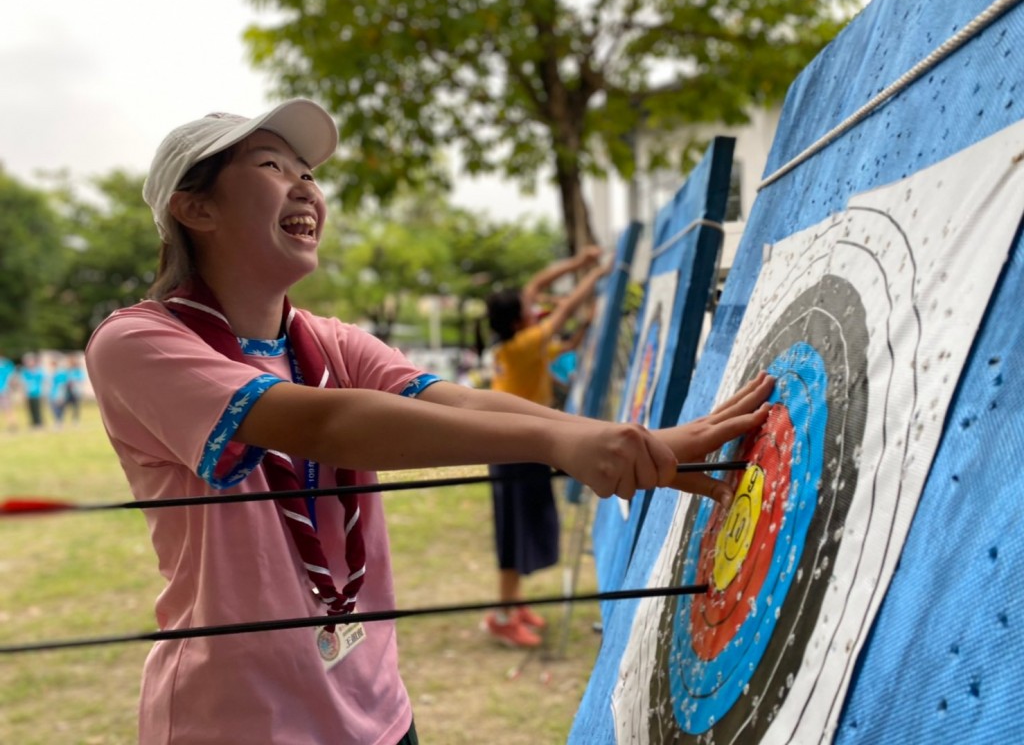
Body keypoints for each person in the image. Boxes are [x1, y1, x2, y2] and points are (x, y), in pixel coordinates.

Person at [84, 99, 773, 745]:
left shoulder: (329, 340)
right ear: (194, 207)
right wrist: (561, 440)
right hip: (237, 722)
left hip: (377, 710)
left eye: (309, 174)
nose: (304, 188)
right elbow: (323, 425)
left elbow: (459, 401)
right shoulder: (137, 340)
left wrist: (609, 441)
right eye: (271, 167)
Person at [479, 248, 607, 648]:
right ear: (520, 318)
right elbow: (562, 307)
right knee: (512, 535)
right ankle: (501, 616)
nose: (534, 304)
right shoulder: (521, 346)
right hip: (511, 449)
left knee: (519, 529)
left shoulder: (516, 345)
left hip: (515, 446)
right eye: (528, 307)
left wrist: (577, 264)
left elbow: (541, 298)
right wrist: (598, 273)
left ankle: (513, 606)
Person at [18, 353, 46, 429]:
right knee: (30, 409)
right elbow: (22, 383)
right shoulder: (25, 371)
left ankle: (39, 423)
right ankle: (33, 423)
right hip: (28, 393)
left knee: (38, 409)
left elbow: (43, 381)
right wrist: (23, 393)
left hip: (37, 393)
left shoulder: (38, 371)